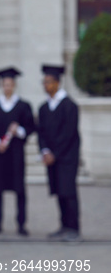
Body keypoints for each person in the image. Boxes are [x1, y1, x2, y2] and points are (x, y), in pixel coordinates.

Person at [0, 67, 36, 236]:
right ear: (1, 85)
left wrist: (19, 130)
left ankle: (21, 224)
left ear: (14, 85)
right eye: (5, 84)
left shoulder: (23, 106)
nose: (7, 87)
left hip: (16, 154)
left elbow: (31, 127)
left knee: (19, 189)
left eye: (10, 84)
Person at [38, 64, 81, 241]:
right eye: (44, 82)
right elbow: (40, 132)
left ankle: (74, 229)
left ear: (57, 83)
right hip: (52, 157)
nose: (45, 85)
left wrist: (54, 153)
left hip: (67, 157)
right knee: (59, 191)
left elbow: (69, 133)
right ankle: (63, 226)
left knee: (68, 191)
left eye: (48, 82)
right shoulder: (44, 107)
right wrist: (45, 151)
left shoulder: (69, 105)